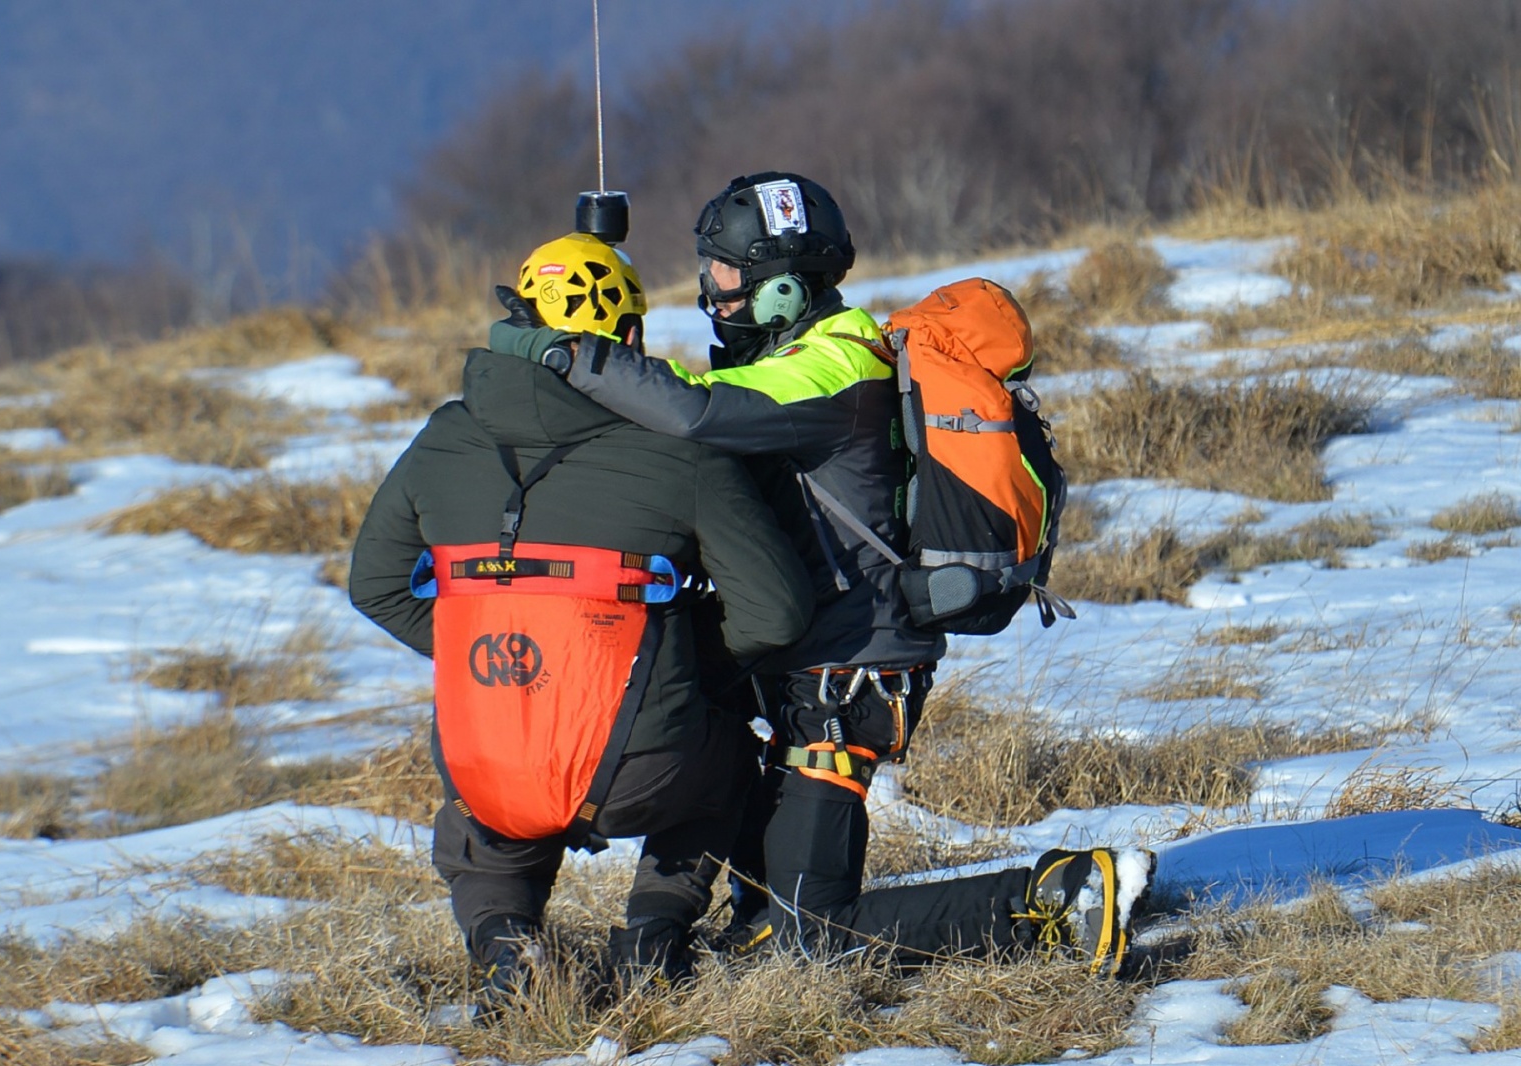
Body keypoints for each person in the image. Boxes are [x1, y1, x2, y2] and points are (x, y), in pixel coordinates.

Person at [488, 172, 1153, 974]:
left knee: (817, 941)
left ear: (781, 290)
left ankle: (1052, 899)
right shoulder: (800, 356)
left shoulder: (829, 365)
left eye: (727, 277)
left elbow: (698, 408)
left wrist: (563, 352)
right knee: (751, 864)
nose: (712, 293)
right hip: (808, 657)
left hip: (850, 679)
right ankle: (739, 920)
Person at [349, 231, 814, 1006]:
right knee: (725, 755)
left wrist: (492, 649)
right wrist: (666, 662)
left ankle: (506, 945)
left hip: (487, 762)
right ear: (628, 339)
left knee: (487, 794)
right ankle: (654, 936)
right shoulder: (679, 450)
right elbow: (777, 609)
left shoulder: (444, 439)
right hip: (644, 768)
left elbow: (375, 585)